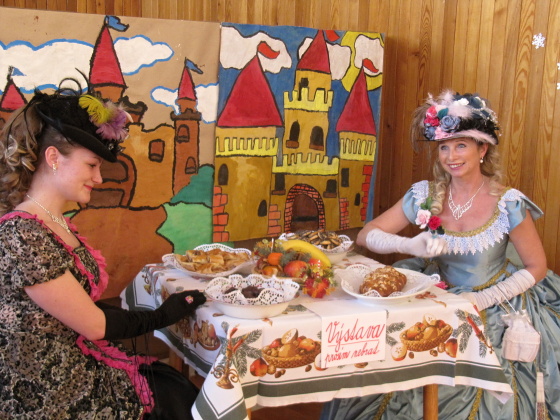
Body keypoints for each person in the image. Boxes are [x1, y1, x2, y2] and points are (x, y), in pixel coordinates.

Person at [321, 90, 560, 419]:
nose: (451, 156)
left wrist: (481, 299)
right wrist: (409, 246)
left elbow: (536, 267)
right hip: (435, 292)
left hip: (494, 300)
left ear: (482, 149)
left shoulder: (509, 203)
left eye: (461, 145)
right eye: (444, 147)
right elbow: (367, 235)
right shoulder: (424, 194)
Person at [0, 80, 206, 419]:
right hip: (46, 391)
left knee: (176, 391)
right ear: (53, 158)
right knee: (174, 399)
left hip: (71, 364)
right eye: (91, 165)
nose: (98, 178)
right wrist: (161, 316)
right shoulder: (22, 233)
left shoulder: (54, 221)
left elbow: (76, 305)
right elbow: (94, 325)